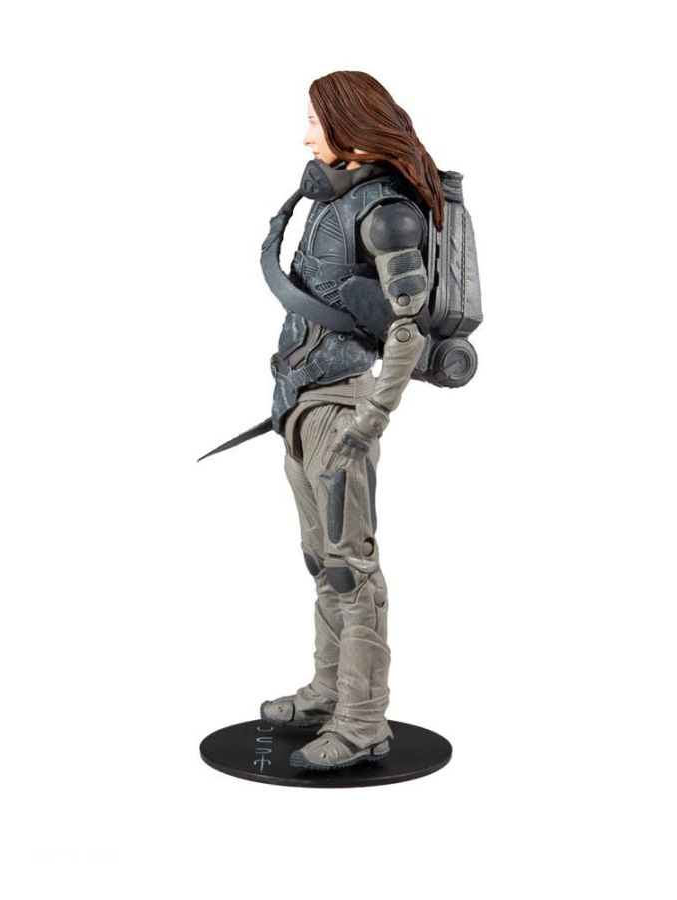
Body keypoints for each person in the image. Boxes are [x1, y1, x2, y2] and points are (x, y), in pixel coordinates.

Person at [258, 72, 445, 770]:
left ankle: (363, 722)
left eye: (315, 121)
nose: (306, 135)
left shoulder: (386, 214)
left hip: (340, 409)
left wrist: (372, 416)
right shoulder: (331, 201)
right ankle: (328, 691)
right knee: (321, 562)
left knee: (351, 572)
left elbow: (408, 330)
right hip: (300, 405)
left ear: (348, 125)